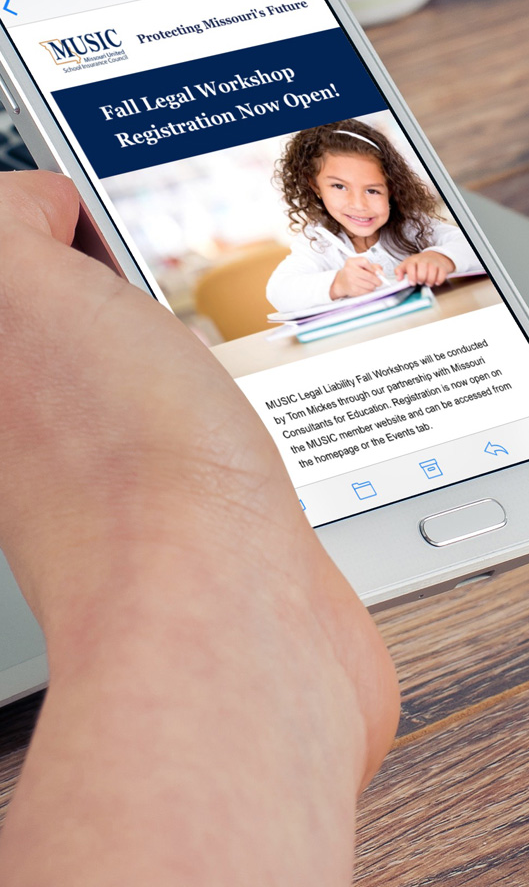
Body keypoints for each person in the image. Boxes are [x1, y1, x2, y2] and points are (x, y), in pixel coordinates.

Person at [0, 169, 399, 881]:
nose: (359, 205)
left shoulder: (400, 238)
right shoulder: (302, 254)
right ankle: (234, 624)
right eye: (340, 189)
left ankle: (214, 602)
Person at [265, 118, 479, 311]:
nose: (358, 204)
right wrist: (338, 283)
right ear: (315, 186)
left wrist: (441, 257)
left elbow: (478, 244)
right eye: (339, 186)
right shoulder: (317, 243)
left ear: (391, 190)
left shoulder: (411, 225)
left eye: (373, 190)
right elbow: (279, 292)